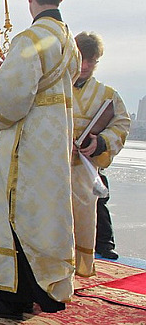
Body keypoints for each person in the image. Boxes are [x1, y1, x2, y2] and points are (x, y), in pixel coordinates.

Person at [0, 0, 81, 319]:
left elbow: (11, 101)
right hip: (54, 141)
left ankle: (12, 298)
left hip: (26, 146)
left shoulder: (31, 39)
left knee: (17, 214)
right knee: (44, 216)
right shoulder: (69, 40)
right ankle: (49, 290)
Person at [71, 31, 130, 270]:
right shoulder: (53, 89)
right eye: (81, 58)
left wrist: (101, 142)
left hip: (83, 172)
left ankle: (79, 264)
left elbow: (122, 124)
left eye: (91, 60)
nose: (85, 66)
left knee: (84, 219)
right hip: (50, 169)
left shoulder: (107, 95)